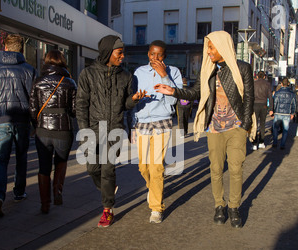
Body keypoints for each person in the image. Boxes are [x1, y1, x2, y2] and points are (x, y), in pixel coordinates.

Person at [155, 31, 255, 228]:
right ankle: (220, 205)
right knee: (216, 169)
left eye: (211, 47)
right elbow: (195, 93)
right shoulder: (208, 70)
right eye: (207, 47)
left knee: (235, 169)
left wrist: (244, 125)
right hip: (214, 128)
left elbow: (249, 98)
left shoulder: (242, 68)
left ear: (222, 46)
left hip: (236, 127)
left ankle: (234, 207)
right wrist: (173, 91)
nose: (208, 52)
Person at [76, 35, 146, 228]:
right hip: (93, 128)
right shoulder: (88, 74)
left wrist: (134, 99)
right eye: (119, 52)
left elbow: (125, 105)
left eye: (123, 52)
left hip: (114, 128)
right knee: (92, 168)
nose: (122, 56)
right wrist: (83, 132)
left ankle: (107, 210)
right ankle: (108, 188)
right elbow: (81, 104)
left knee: (108, 168)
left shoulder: (126, 76)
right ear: (108, 52)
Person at [0, 34, 37, 217]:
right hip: (22, 121)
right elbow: (34, 101)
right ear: (21, 49)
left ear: (4, 48)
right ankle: (19, 192)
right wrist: (35, 124)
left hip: (1, 121)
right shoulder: (29, 70)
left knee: (1, 160)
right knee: (21, 159)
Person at [129, 40, 183, 224]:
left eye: (159, 55)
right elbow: (133, 101)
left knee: (157, 166)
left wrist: (164, 76)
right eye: (152, 54)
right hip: (143, 123)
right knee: (143, 166)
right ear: (148, 54)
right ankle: (153, 189)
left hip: (162, 122)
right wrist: (132, 124)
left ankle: (156, 208)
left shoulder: (173, 72)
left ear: (165, 56)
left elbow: (174, 102)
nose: (155, 58)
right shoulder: (138, 72)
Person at [29, 50, 77, 214]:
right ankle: (57, 191)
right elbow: (75, 110)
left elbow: (32, 109)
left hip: (43, 130)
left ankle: (44, 203)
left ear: (46, 62)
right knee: (61, 162)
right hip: (63, 130)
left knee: (43, 167)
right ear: (62, 62)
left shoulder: (37, 82)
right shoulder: (69, 82)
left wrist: (36, 124)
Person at [269, 77, 296, 150]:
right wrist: (292, 113)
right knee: (285, 130)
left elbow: (274, 102)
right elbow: (294, 104)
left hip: (278, 112)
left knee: (275, 128)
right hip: (287, 113)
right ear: (288, 84)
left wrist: (272, 111)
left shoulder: (277, 93)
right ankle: (282, 144)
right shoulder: (292, 94)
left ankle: (275, 143)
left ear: (281, 84)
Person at [252, 71, 273, 150]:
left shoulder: (254, 83)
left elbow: (250, 95)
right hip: (264, 104)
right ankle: (261, 142)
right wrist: (271, 109)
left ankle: (254, 143)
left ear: (257, 76)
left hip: (255, 105)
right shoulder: (267, 84)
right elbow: (270, 97)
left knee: (254, 124)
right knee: (262, 124)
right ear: (264, 76)